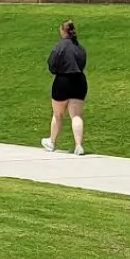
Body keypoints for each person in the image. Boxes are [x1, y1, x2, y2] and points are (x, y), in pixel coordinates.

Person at [43, 19, 88, 156]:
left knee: (58, 114)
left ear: (63, 31)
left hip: (63, 80)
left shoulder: (60, 46)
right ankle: (78, 145)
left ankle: (52, 141)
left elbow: (52, 64)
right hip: (79, 80)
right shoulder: (80, 48)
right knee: (76, 115)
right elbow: (82, 63)